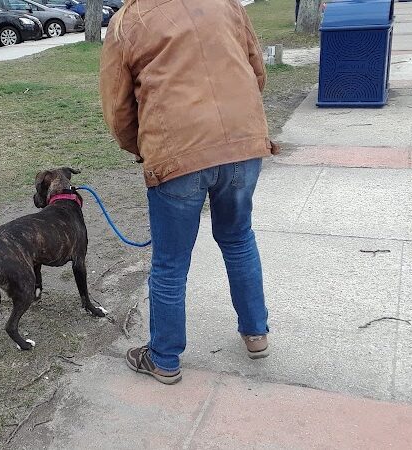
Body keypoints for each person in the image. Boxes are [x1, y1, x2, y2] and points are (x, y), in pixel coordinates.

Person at [99, 0, 279, 385]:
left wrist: (145, 149)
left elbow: (118, 110)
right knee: (238, 238)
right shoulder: (226, 3)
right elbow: (255, 68)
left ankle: (164, 358)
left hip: (176, 151)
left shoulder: (126, 22)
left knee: (170, 262)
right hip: (242, 143)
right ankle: (256, 333)